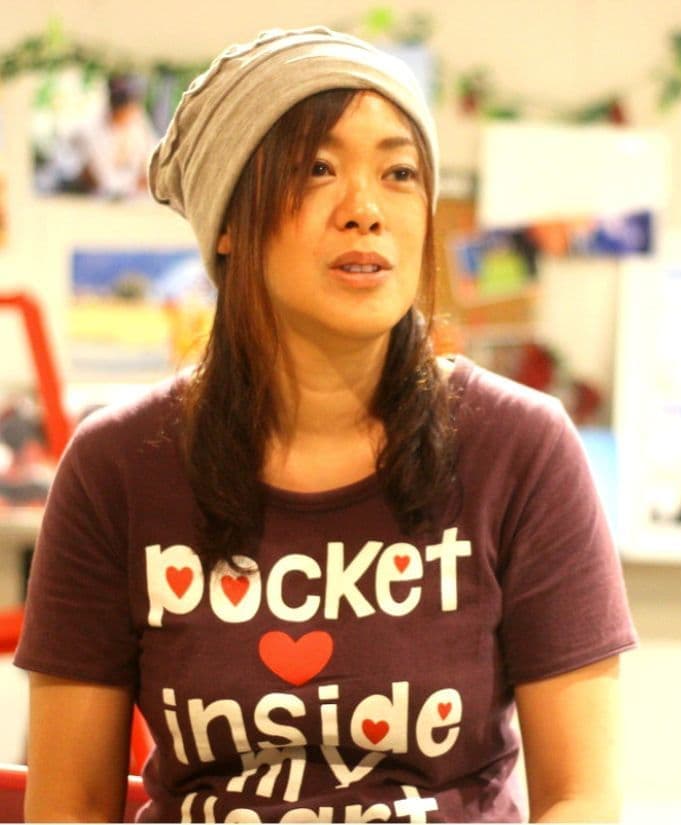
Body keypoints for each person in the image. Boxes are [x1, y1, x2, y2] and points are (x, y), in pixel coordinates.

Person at [15, 26, 637, 823]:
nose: (365, 211)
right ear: (229, 221)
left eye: (398, 172)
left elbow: (582, 796)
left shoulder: (520, 448)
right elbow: (69, 804)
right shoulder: (119, 464)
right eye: (317, 169)